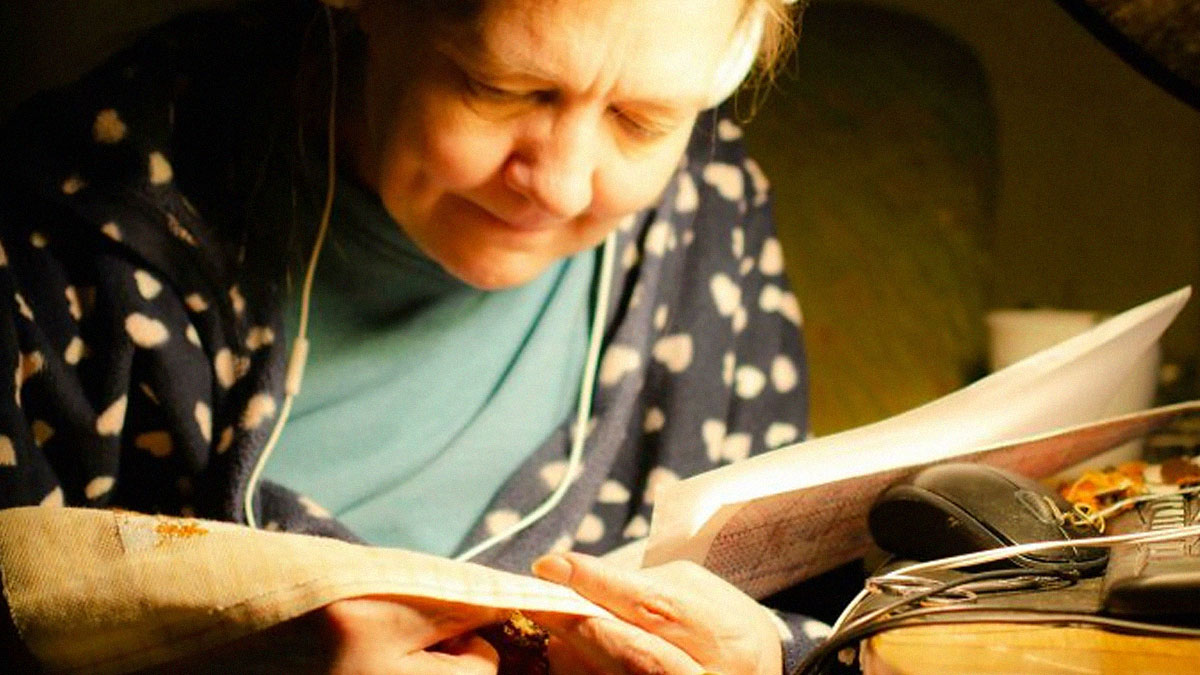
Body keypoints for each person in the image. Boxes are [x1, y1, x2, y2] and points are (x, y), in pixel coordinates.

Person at [0, 0, 817, 672]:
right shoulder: (72, 239)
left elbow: (815, 603)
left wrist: (774, 658)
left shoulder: (713, 220)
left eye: (642, 120)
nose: (563, 186)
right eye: (500, 87)